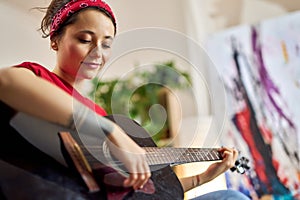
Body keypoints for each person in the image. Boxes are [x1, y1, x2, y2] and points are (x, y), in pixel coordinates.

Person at [0, 0, 250, 199]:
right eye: (85, 40)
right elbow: (5, 82)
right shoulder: (36, 77)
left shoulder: (97, 112)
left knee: (228, 196)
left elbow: (138, 193)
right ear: (55, 40)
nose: (97, 53)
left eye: (106, 45)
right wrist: (109, 131)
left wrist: (201, 178)